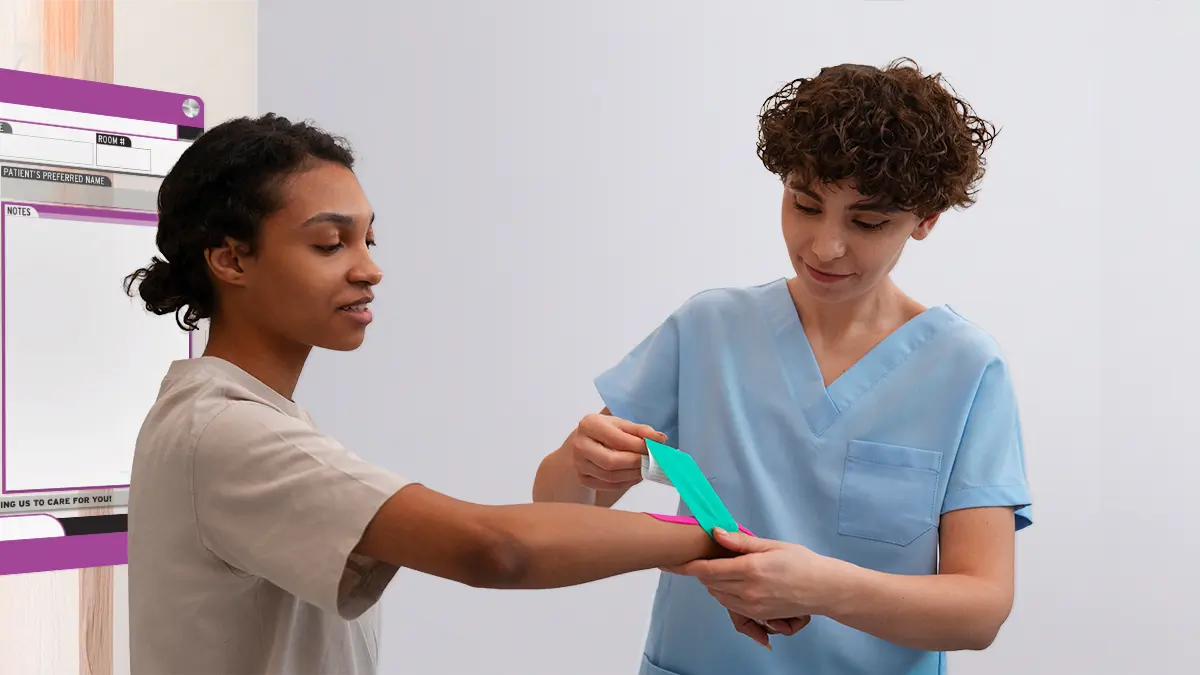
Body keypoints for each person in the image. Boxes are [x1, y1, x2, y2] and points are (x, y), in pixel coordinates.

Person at [123, 114, 738, 675]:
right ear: (231, 260)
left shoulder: (248, 416)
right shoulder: (227, 432)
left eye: (369, 240)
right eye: (330, 244)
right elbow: (493, 548)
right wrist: (715, 542)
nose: (369, 269)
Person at [532, 58, 1033, 674]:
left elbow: (980, 611)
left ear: (925, 219)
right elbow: (558, 515)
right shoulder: (708, 330)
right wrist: (585, 465)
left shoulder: (966, 369)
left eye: (868, 221)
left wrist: (821, 587)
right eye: (805, 204)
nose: (825, 246)